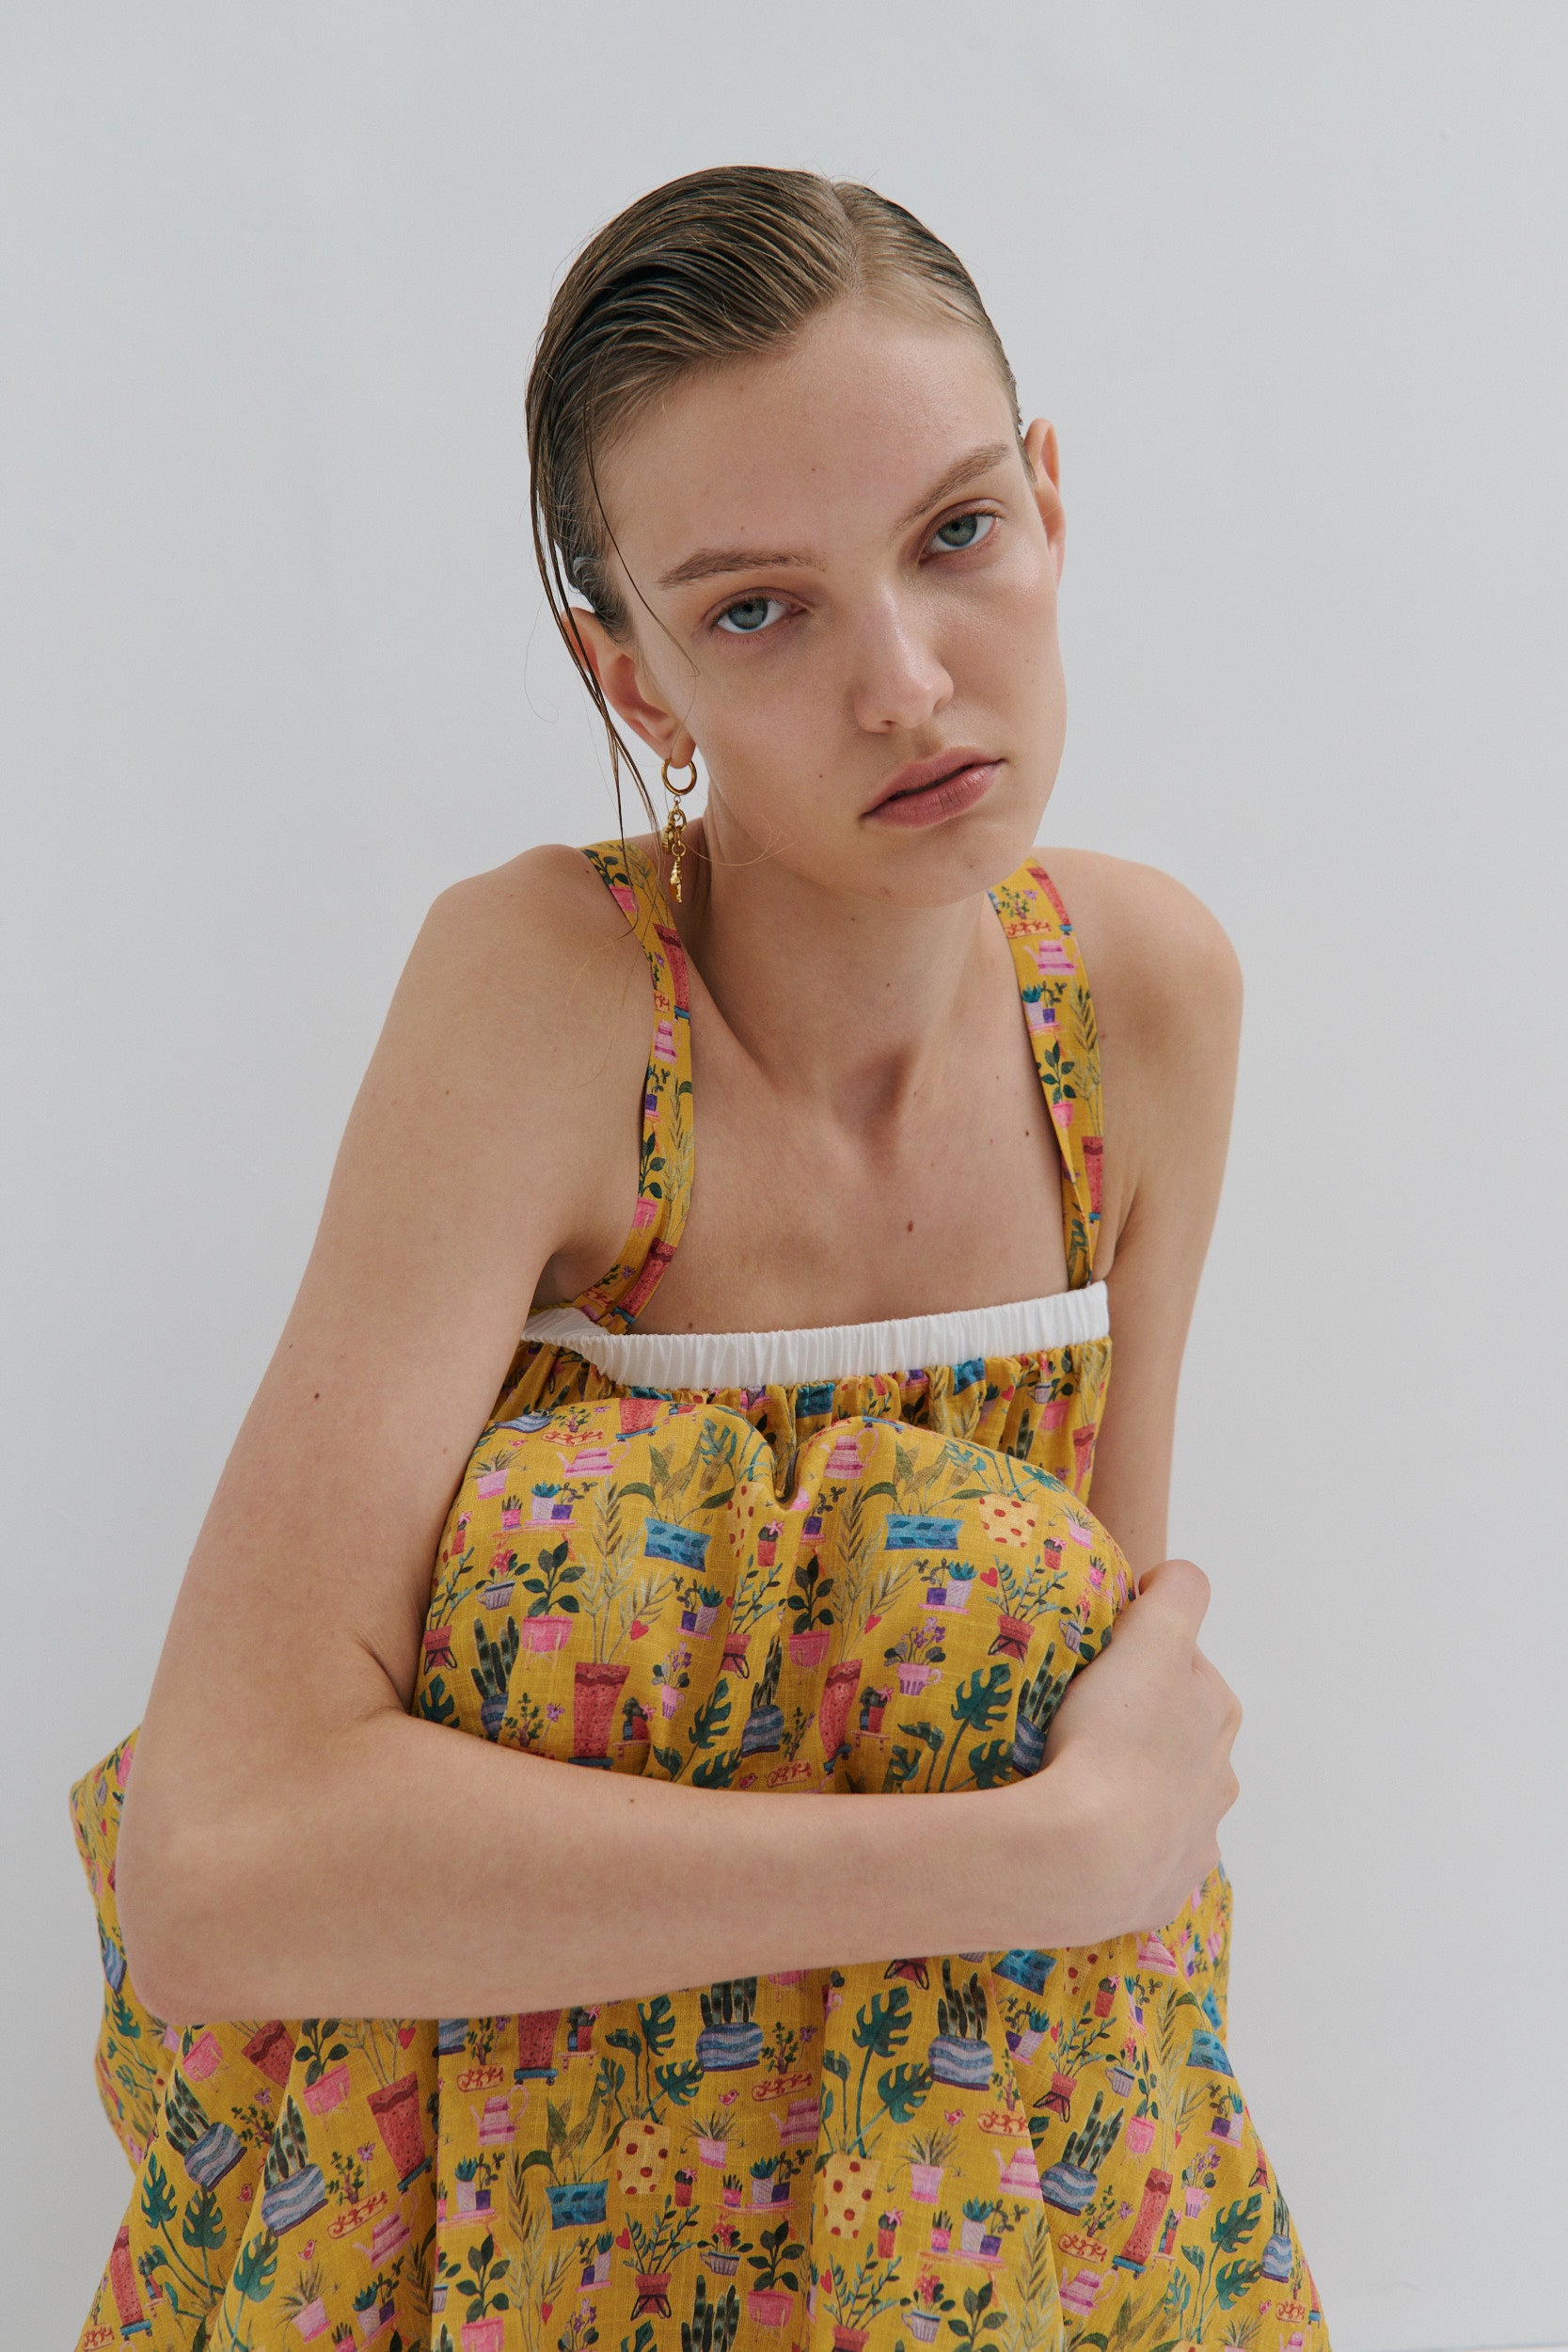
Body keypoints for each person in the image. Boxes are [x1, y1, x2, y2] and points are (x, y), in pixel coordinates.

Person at [69, 167, 1328, 2351]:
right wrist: (1006, 1866)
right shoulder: (549, 997)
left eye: (954, 535)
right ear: (626, 670)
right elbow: (221, 1863)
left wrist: (1078, 1865)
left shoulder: (1145, 1002)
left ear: (1047, 496)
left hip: (943, 2214)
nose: (910, 684)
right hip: (493, 2233)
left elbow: (1115, 1730)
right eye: (758, 611)